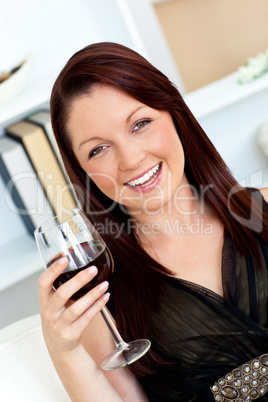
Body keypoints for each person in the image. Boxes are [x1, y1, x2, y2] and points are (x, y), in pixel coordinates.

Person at [38, 42, 268, 401]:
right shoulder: (101, 294)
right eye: (98, 149)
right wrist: (63, 352)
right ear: (82, 172)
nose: (130, 159)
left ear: (175, 114)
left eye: (140, 124)